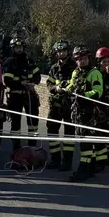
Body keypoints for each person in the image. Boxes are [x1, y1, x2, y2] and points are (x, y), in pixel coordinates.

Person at [66, 45, 105, 182]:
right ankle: (91, 168)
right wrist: (67, 88)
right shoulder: (76, 72)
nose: (82, 61)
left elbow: (98, 92)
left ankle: (83, 170)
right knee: (85, 140)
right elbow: (72, 85)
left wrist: (84, 94)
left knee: (85, 142)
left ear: (88, 58)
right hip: (78, 112)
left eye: (84, 58)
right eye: (79, 59)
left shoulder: (94, 73)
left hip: (90, 112)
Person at [2, 37, 41, 150]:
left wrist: (32, 83)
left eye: (20, 47)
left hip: (30, 95)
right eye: (16, 48)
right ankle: (16, 148)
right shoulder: (9, 63)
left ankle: (32, 147)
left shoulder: (29, 61)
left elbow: (38, 77)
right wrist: (21, 83)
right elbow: (8, 81)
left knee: (33, 121)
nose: (19, 50)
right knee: (15, 122)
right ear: (13, 49)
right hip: (15, 96)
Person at [46, 39, 76, 171]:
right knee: (52, 131)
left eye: (63, 51)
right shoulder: (54, 68)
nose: (61, 53)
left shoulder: (75, 67)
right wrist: (55, 88)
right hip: (56, 105)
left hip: (69, 105)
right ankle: (55, 159)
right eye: (59, 51)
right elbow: (48, 84)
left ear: (67, 51)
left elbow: (77, 83)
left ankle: (67, 162)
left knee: (69, 134)